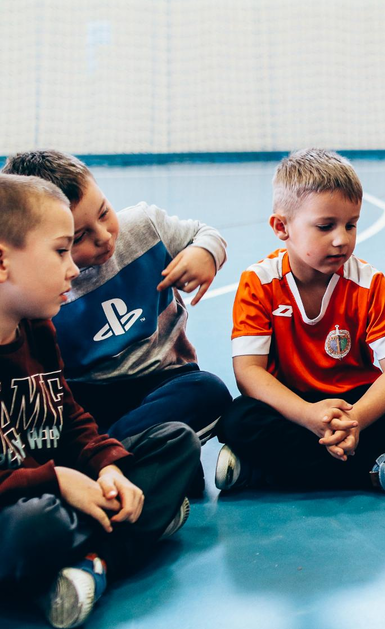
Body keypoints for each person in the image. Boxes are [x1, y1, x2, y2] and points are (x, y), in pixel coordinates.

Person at [0, 175, 198, 629]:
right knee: (36, 526)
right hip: (23, 508)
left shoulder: (37, 328)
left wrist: (106, 467)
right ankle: (128, 536)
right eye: (60, 251)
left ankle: (87, 565)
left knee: (175, 444)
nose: (73, 269)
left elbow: (69, 416)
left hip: (53, 490)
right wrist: (58, 481)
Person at [1, 151, 231, 494]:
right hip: (89, 394)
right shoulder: (42, 290)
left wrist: (205, 253)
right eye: (77, 238)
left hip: (162, 381)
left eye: (104, 212)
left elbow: (204, 233)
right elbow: (62, 407)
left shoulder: (144, 226)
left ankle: (106, 463)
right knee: (55, 429)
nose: (104, 236)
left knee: (208, 391)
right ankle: (144, 461)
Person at [214, 149, 385, 491]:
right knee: (237, 419)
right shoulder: (259, 282)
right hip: (292, 405)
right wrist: (307, 415)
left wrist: (355, 420)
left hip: (354, 402)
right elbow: (248, 372)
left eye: (351, 224)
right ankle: (376, 470)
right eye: (325, 226)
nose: (342, 239)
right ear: (282, 227)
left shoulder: (369, 283)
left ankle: (263, 471)